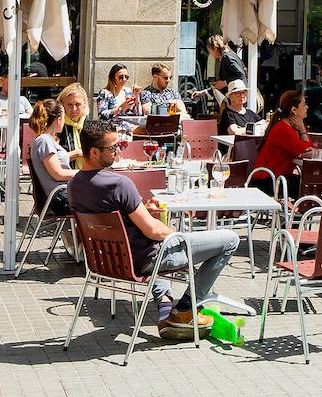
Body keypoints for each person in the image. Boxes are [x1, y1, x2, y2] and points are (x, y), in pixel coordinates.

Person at [68, 121, 238, 340]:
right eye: (112, 148)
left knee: (159, 244)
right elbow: (153, 231)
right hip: (144, 261)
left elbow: (118, 219)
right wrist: (179, 237)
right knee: (229, 240)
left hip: (109, 262)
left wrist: (143, 212)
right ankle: (186, 309)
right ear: (93, 152)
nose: (118, 151)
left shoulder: (73, 186)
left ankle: (166, 312)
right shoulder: (119, 184)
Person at [28, 99, 78, 256]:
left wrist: (76, 153)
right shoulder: (45, 141)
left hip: (59, 195)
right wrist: (86, 173)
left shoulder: (44, 140)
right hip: (61, 198)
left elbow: (53, 163)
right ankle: (81, 241)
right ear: (58, 119)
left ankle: (78, 240)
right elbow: (58, 173)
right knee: (107, 201)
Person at [250, 90, 315, 198]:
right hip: (267, 180)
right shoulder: (283, 129)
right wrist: (303, 131)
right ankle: (304, 212)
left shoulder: (295, 127)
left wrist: (303, 132)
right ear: (294, 110)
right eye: (304, 104)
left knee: (309, 185)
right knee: (308, 187)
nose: (307, 107)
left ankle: (305, 212)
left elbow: (310, 149)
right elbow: (305, 150)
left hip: (280, 178)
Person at [56, 82, 94, 165]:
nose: (74, 109)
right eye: (69, 104)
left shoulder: (91, 126)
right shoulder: (57, 127)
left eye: (78, 104)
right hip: (65, 174)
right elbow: (53, 160)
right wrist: (77, 153)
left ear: (85, 104)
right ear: (62, 105)